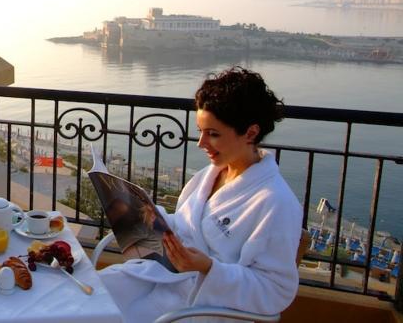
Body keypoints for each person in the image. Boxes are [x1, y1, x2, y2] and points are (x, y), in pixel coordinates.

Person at [99, 67, 302, 322]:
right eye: (200, 131)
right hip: (161, 278)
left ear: (250, 133)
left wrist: (209, 268)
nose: (201, 143)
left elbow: (275, 291)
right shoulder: (210, 175)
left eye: (213, 134)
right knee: (82, 297)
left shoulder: (275, 202)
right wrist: (149, 216)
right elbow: (188, 227)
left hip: (199, 306)